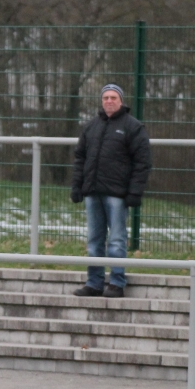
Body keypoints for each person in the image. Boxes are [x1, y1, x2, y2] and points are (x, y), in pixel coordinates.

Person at [71, 83, 151, 298]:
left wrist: (134, 192)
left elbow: (142, 162)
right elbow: (80, 159)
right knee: (94, 241)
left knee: (116, 240)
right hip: (92, 192)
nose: (109, 101)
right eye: (105, 97)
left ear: (121, 100)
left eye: (113, 97)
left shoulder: (133, 127)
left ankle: (117, 282)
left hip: (117, 194)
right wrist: (77, 186)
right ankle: (94, 283)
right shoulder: (91, 126)